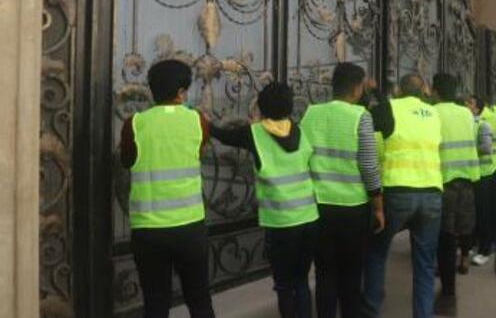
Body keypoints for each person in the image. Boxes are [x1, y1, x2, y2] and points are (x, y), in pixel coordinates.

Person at [210, 82, 318, 318]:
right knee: (301, 281)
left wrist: (201, 121)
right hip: (309, 219)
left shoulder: (254, 134)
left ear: (261, 107)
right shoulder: (301, 131)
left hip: (280, 224)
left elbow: (222, 135)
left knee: (284, 285)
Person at [119, 60, 215, 318]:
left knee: (156, 305)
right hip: (190, 228)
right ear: (182, 91)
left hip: (149, 232)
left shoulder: (135, 124)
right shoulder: (198, 121)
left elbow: (127, 161)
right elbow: (198, 151)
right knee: (200, 303)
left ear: (152, 90)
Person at [299, 63, 384, 318]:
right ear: (357, 88)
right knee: (351, 275)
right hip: (352, 209)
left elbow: (302, 157)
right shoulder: (361, 116)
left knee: (325, 273)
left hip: (319, 206)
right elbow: (368, 166)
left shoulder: (311, 113)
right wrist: (378, 207)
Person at [362, 74, 443, 318]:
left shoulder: (388, 109)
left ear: (398, 90)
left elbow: (367, 138)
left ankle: (371, 308)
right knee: (425, 263)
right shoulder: (434, 113)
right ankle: (424, 314)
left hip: (398, 192)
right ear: (424, 90)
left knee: (376, 253)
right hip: (431, 193)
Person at [429, 73, 481, 315]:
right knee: (463, 229)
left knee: (445, 237)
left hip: (444, 181)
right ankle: (463, 262)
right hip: (467, 179)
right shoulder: (467, 113)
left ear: (435, 91)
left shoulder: (433, 113)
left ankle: (448, 293)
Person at [466, 95, 496, 266]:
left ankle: (487, 247)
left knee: (487, 212)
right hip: (476, 172)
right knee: (478, 212)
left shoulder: (493, 119)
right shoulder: (468, 122)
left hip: (491, 170)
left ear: (477, 107)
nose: (466, 105)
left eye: (470, 103)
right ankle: (477, 243)